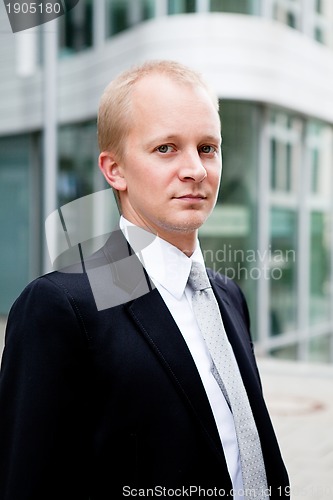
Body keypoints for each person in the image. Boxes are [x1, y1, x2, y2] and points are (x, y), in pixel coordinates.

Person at [0, 60, 289, 499]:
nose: (195, 169)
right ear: (114, 170)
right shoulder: (63, 306)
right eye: (166, 149)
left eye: (208, 147)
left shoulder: (228, 295)